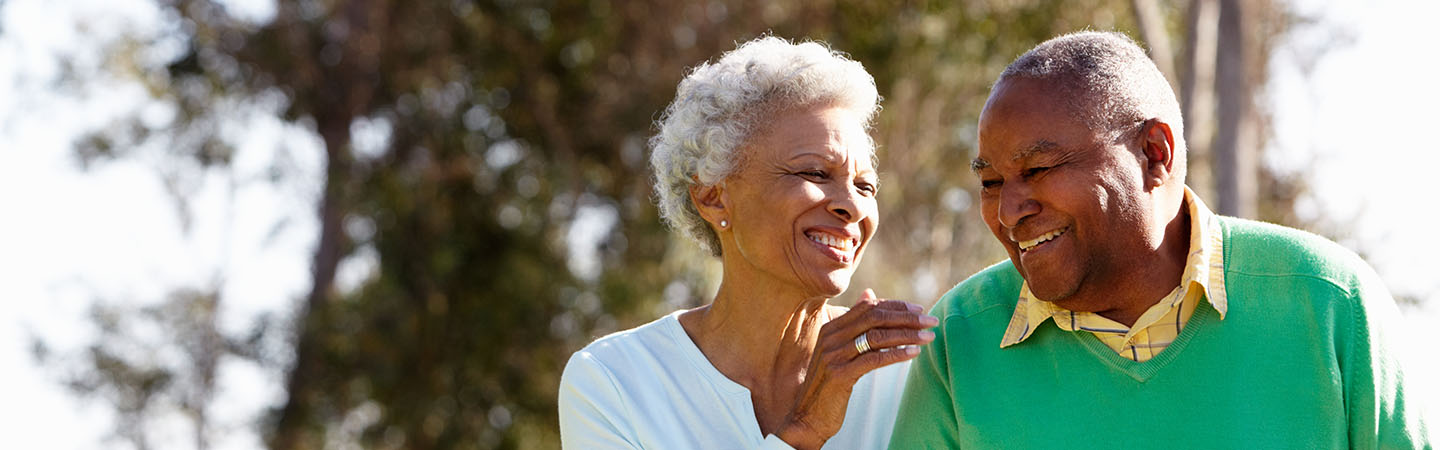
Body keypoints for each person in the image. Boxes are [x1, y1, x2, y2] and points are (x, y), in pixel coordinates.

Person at [890, 31, 1432, 448]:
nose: (1008, 211)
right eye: (990, 182)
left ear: (1155, 154)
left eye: (1039, 169)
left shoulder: (1329, 302)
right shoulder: (959, 342)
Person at [558, 36, 937, 449]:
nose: (853, 207)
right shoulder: (614, 382)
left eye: (865, 186)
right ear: (712, 196)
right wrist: (805, 431)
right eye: (813, 173)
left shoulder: (908, 375)